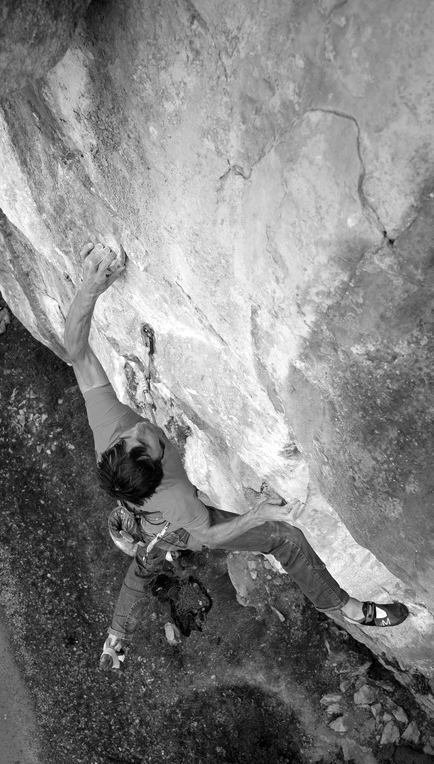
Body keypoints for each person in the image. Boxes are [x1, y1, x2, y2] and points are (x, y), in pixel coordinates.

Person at [64, 242, 409, 671]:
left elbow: (76, 350)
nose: (142, 427)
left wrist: (90, 288)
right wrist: (257, 513)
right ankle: (345, 608)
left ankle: (116, 637)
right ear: (158, 469)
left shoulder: (111, 434)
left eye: (135, 434)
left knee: (148, 558)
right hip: (176, 528)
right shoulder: (178, 501)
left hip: (146, 514)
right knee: (283, 539)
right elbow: (209, 536)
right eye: (150, 440)